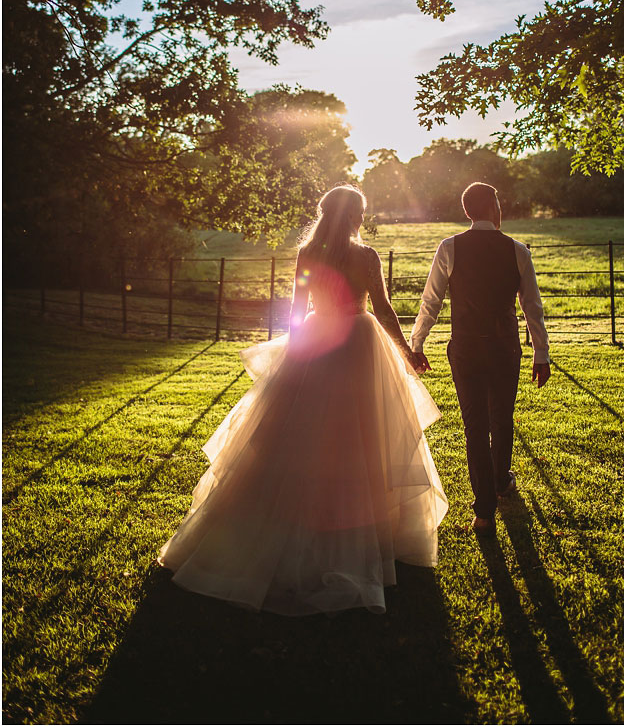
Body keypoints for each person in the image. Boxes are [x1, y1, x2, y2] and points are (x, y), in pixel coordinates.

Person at [158, 186, 447, 615]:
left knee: (298, 438)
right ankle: (357, 533)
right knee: (359, 440)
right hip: (357, 344)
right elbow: (383, 310)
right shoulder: (365, 256)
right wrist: (407, 351)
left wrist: (297, 355)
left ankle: (289, 526)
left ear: (323, 212)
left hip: (315, 341)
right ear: (357, 215)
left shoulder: (308, 252)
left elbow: (295, 308)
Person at [410, 182, 550, 534]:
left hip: (467, 349)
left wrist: (417, 343)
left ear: (467, 211)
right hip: (505, 348)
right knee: (502, 419)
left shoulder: (449, 248)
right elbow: (532, 306)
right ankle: (501, 482)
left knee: (475, 427)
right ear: (492, 206)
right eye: (499, 202)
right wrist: (541, 353)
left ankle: (484, 513)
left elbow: (431, 301)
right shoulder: (518, 250)